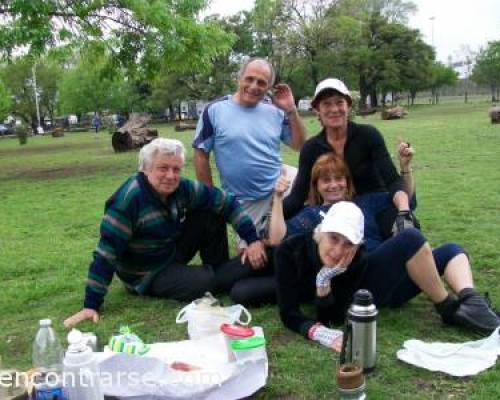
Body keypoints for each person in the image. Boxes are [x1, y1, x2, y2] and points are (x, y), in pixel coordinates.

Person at [64, 138, 266, 328]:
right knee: (204, 283)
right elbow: (106, 254)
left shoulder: (181, 188)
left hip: (169, 249)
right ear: (145, 169)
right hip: (146, 273)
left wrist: (253, 240)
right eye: (163, 168)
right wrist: (91, 304)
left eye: (176, 169)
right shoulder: (129, 200)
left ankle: (221, 268)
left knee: (210, 210)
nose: (171, 176)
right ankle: (232, 273)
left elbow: (226, 201)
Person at [275, 201, 500, 352]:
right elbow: (325, 317)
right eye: (334, 238)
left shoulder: (356, 256)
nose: (338, 250)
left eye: (348, 243)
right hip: (364, 298)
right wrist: (324, 282)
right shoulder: (290, 250)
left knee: (452, 250)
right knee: (410, 238)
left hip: (381, 287)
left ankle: (471, 300)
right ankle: (449, 309)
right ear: (321, 231)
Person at [193, 57, 306, 248]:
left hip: (281, 184)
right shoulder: (215, 110)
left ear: (269, 86)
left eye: (262, 82)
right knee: (253, 256)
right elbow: (200, 154)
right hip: (246, 201)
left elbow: (299, 145)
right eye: (249, 79)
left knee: (302, 229)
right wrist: (212, 197)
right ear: (239, 78)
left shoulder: (275, 110)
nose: (254, 86)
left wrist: (291, 110)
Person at [283, 78, 415, 235]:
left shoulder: (368, 135)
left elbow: (392, 180)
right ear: (317, 109)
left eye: (339, 102)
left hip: (376, 205)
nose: (334, 109)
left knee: (407, 234)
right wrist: (273, 216)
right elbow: (297, 197)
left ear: (348, 105)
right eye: (326, 104)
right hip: (334, 213)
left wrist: (404, 212)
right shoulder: (311, 148)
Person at [269, 151, 415, 251]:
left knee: (414, 238)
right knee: (414, 240)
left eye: (339, 178)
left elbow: (406, 200)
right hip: (354, 271)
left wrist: (405, 168)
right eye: (326, 180)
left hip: (382, 259)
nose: (333, 185)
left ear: (347, 182)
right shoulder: (311, 214)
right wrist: (277, 197)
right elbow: (277, 239)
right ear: (316, 186)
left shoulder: (365, 202)